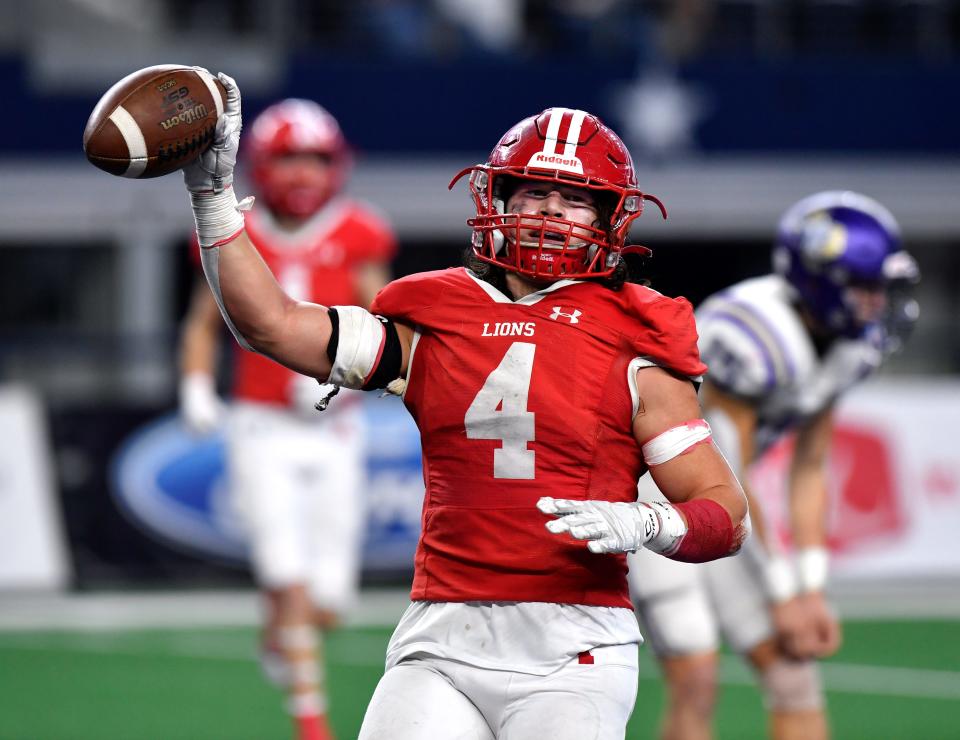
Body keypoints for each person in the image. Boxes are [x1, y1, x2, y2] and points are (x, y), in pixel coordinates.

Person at [179, 71, 749, 740]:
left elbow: (725, 513)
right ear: (499, 200)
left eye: (575, 200)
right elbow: (272, 325)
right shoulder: (436, 315)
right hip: (441, 637)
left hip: (574, 647)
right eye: (535, 193)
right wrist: (213, 199)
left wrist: (646, 524)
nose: (550, 213)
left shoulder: (635, 337)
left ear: (609, 218)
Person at [628, 191, 920, 740]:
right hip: (659, 497)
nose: (877, 302)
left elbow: (808, 469)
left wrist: (810, 586)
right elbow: (724, 473)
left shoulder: (850, 346)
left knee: (794, 678)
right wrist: (783, 592)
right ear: (820, 280)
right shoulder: (754, 333)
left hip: (724, 505)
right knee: (695, 676)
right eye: (864, 287)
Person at [178, 97, 397, 740]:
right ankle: (312, 722)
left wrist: (344, 374)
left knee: (329, 602)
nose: (302, 174)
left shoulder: (359, 230)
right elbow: (201, 321)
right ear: (264, 165)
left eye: (314, 159)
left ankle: (278, 631)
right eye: (290, 159)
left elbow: (385, 319)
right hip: (262, 426)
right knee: (287, 577)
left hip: (335, 428)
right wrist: (195, 384)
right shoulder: (236, 229)